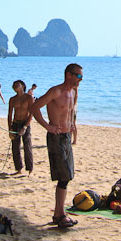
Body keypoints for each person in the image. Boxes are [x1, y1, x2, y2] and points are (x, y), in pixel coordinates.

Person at [30, 63, 83, 228]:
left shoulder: (73, 91)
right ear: (69, 75)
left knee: (67, 175)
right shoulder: (56, 91)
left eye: (81, 76)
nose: (81, 79)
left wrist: (73, 123)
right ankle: (59, 214)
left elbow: (71, 110)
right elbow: (33, 107)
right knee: (64, 176)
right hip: (56, 137)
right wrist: (48, 126)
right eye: (78, 76)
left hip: (66, 136)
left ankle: (59, 214)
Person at [7, 80, 34, 176]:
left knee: (27, 146)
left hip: (25, 123)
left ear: (22, 86)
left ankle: (30, 169)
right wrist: (10, 129)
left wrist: (25, 126)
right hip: (15, 123)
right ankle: (18, 168)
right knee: (15, 147)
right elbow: (10, 114)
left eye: (17, 85)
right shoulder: (12, 99)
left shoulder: (29, 98)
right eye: (13, 85)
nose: (15, 87)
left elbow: (31, 113)